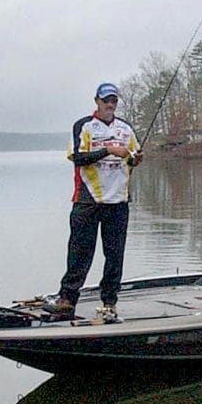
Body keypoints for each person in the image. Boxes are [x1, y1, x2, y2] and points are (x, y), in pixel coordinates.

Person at [47, 82, 143, 323]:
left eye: (114, 101)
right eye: (106, 100)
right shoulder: (84, 126)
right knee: (80, 251)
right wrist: (108, 150)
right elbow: (78, 158)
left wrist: (135, 159)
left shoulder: (126, 128)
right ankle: (67, 299)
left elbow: (132, 157)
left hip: (119, 200)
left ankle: (110, 302)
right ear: (97, 102)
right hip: (87, 199)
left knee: (115, 254)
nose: (110, 105)